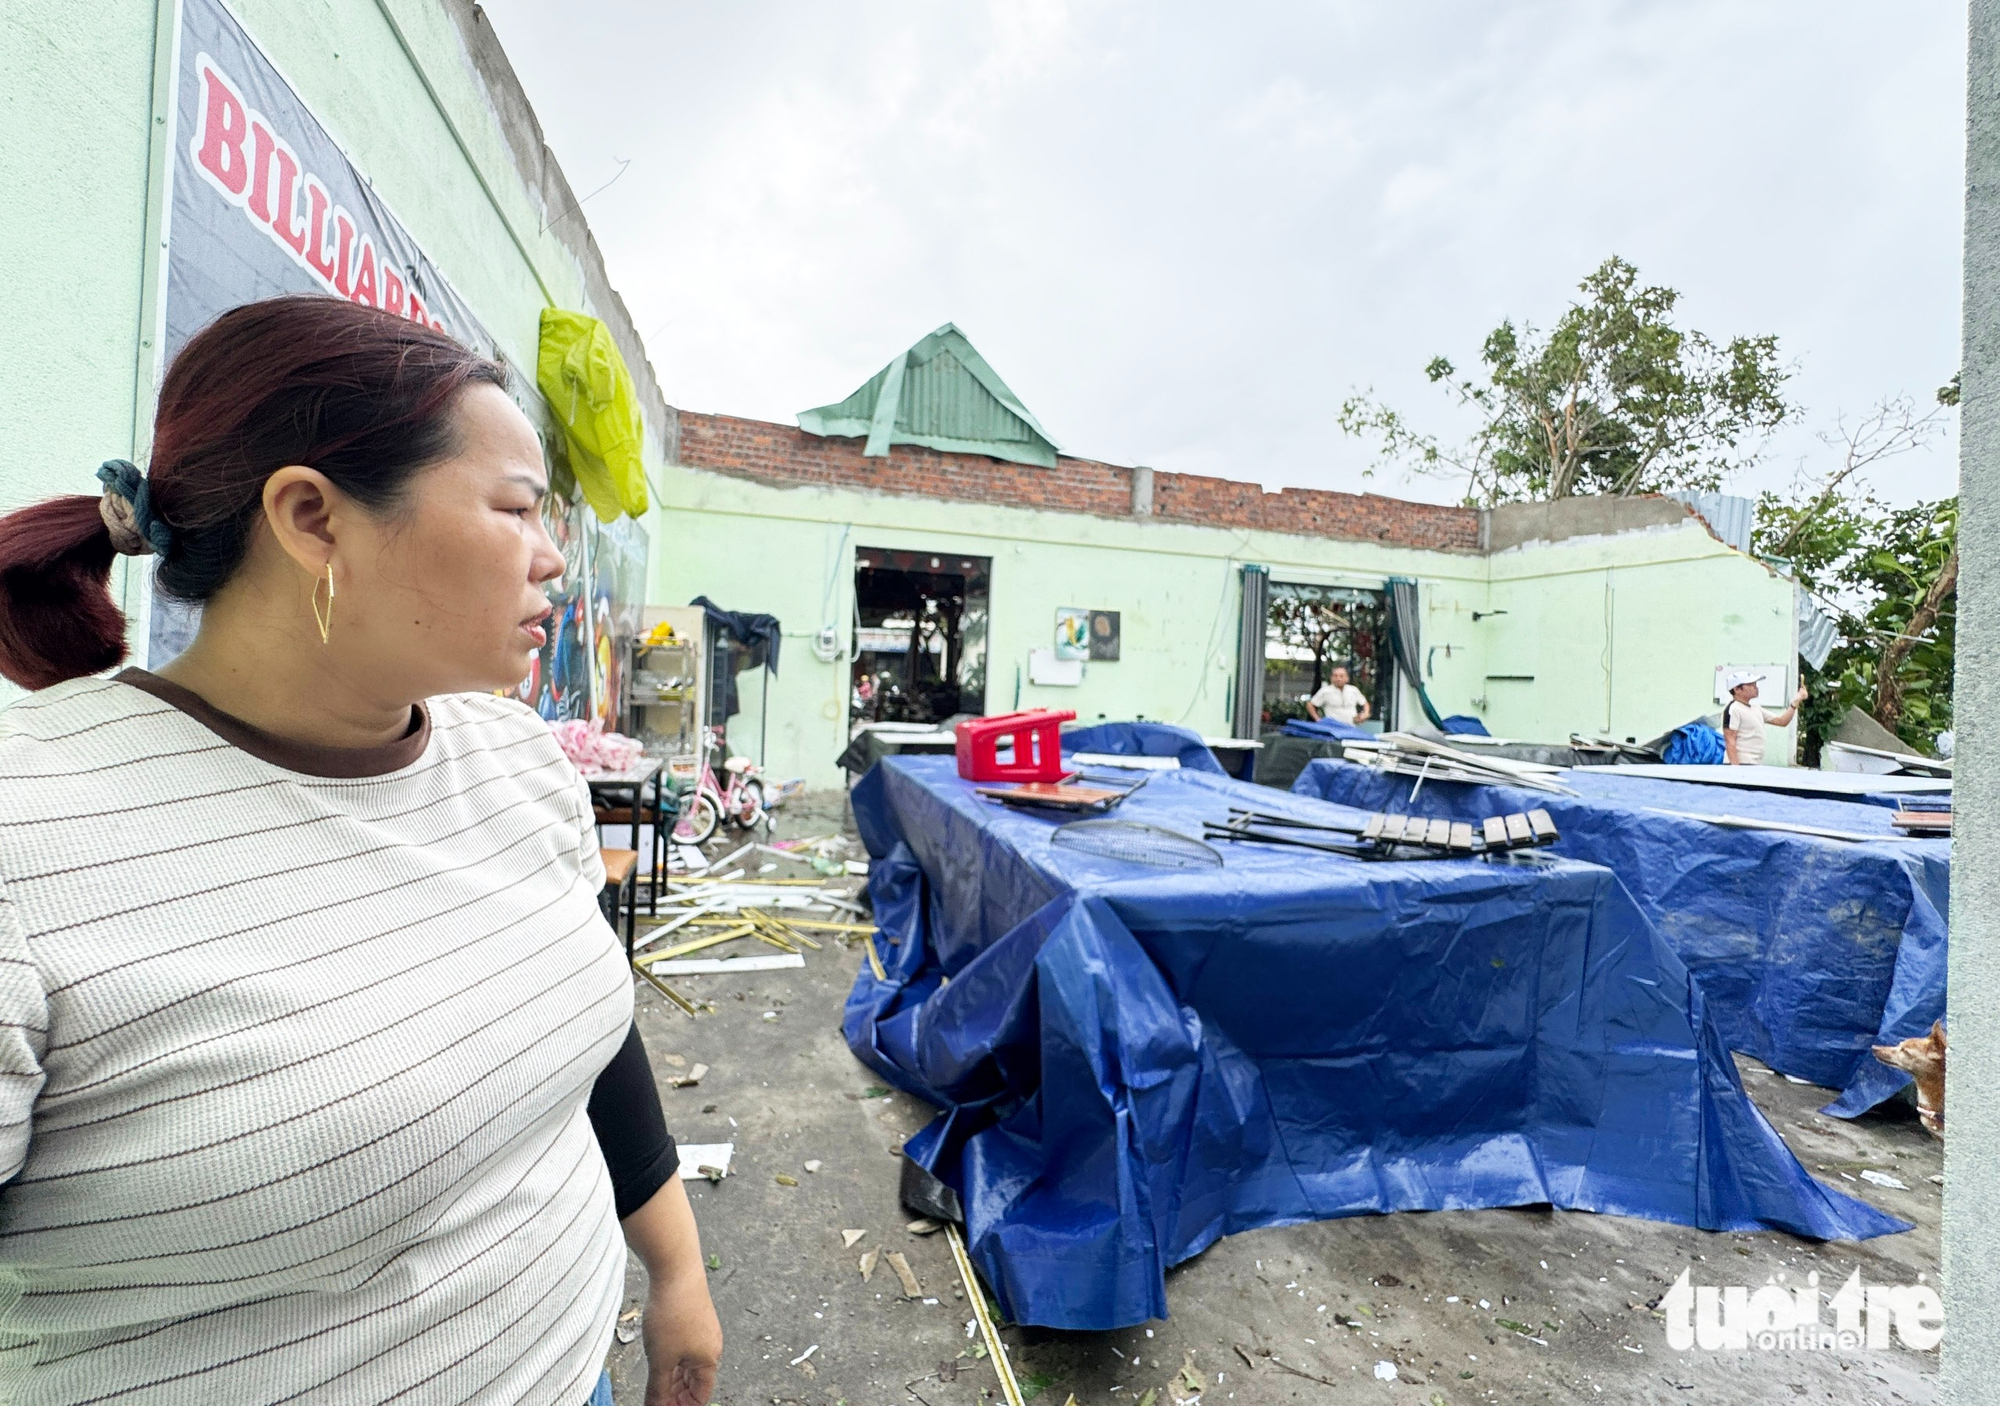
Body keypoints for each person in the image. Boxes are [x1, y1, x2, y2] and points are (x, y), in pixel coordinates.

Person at [0, 297, 721, 1406]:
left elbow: (589, 1030)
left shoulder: (514, 756)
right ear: (312, 518)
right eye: (519, 510)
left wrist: (675, 1271)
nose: (553, 563)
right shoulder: (30, 831)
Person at [1721, 668, 1807, 765]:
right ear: (1736, 689)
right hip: (1741, 763)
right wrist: (1735, 768)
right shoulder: (1733, 709)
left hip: (1755, 763)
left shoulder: (1756, 708)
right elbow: (1730, 739)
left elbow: (1782, 721)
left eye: (1755, 684)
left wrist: (1796, 701)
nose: (1755, 687)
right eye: (1750, 684)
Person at [1305, 664, 1371, 726]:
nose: (1338, 679)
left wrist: (1365, 713)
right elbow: (1310, 705)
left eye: (1341, 676)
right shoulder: (1325, 691)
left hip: (1351, 727)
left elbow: (1365, 703)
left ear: (1347, 678)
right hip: (1333, 728)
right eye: (1335, 676)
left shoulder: (1353, 690)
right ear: (1331, 678)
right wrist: (1318, 720)